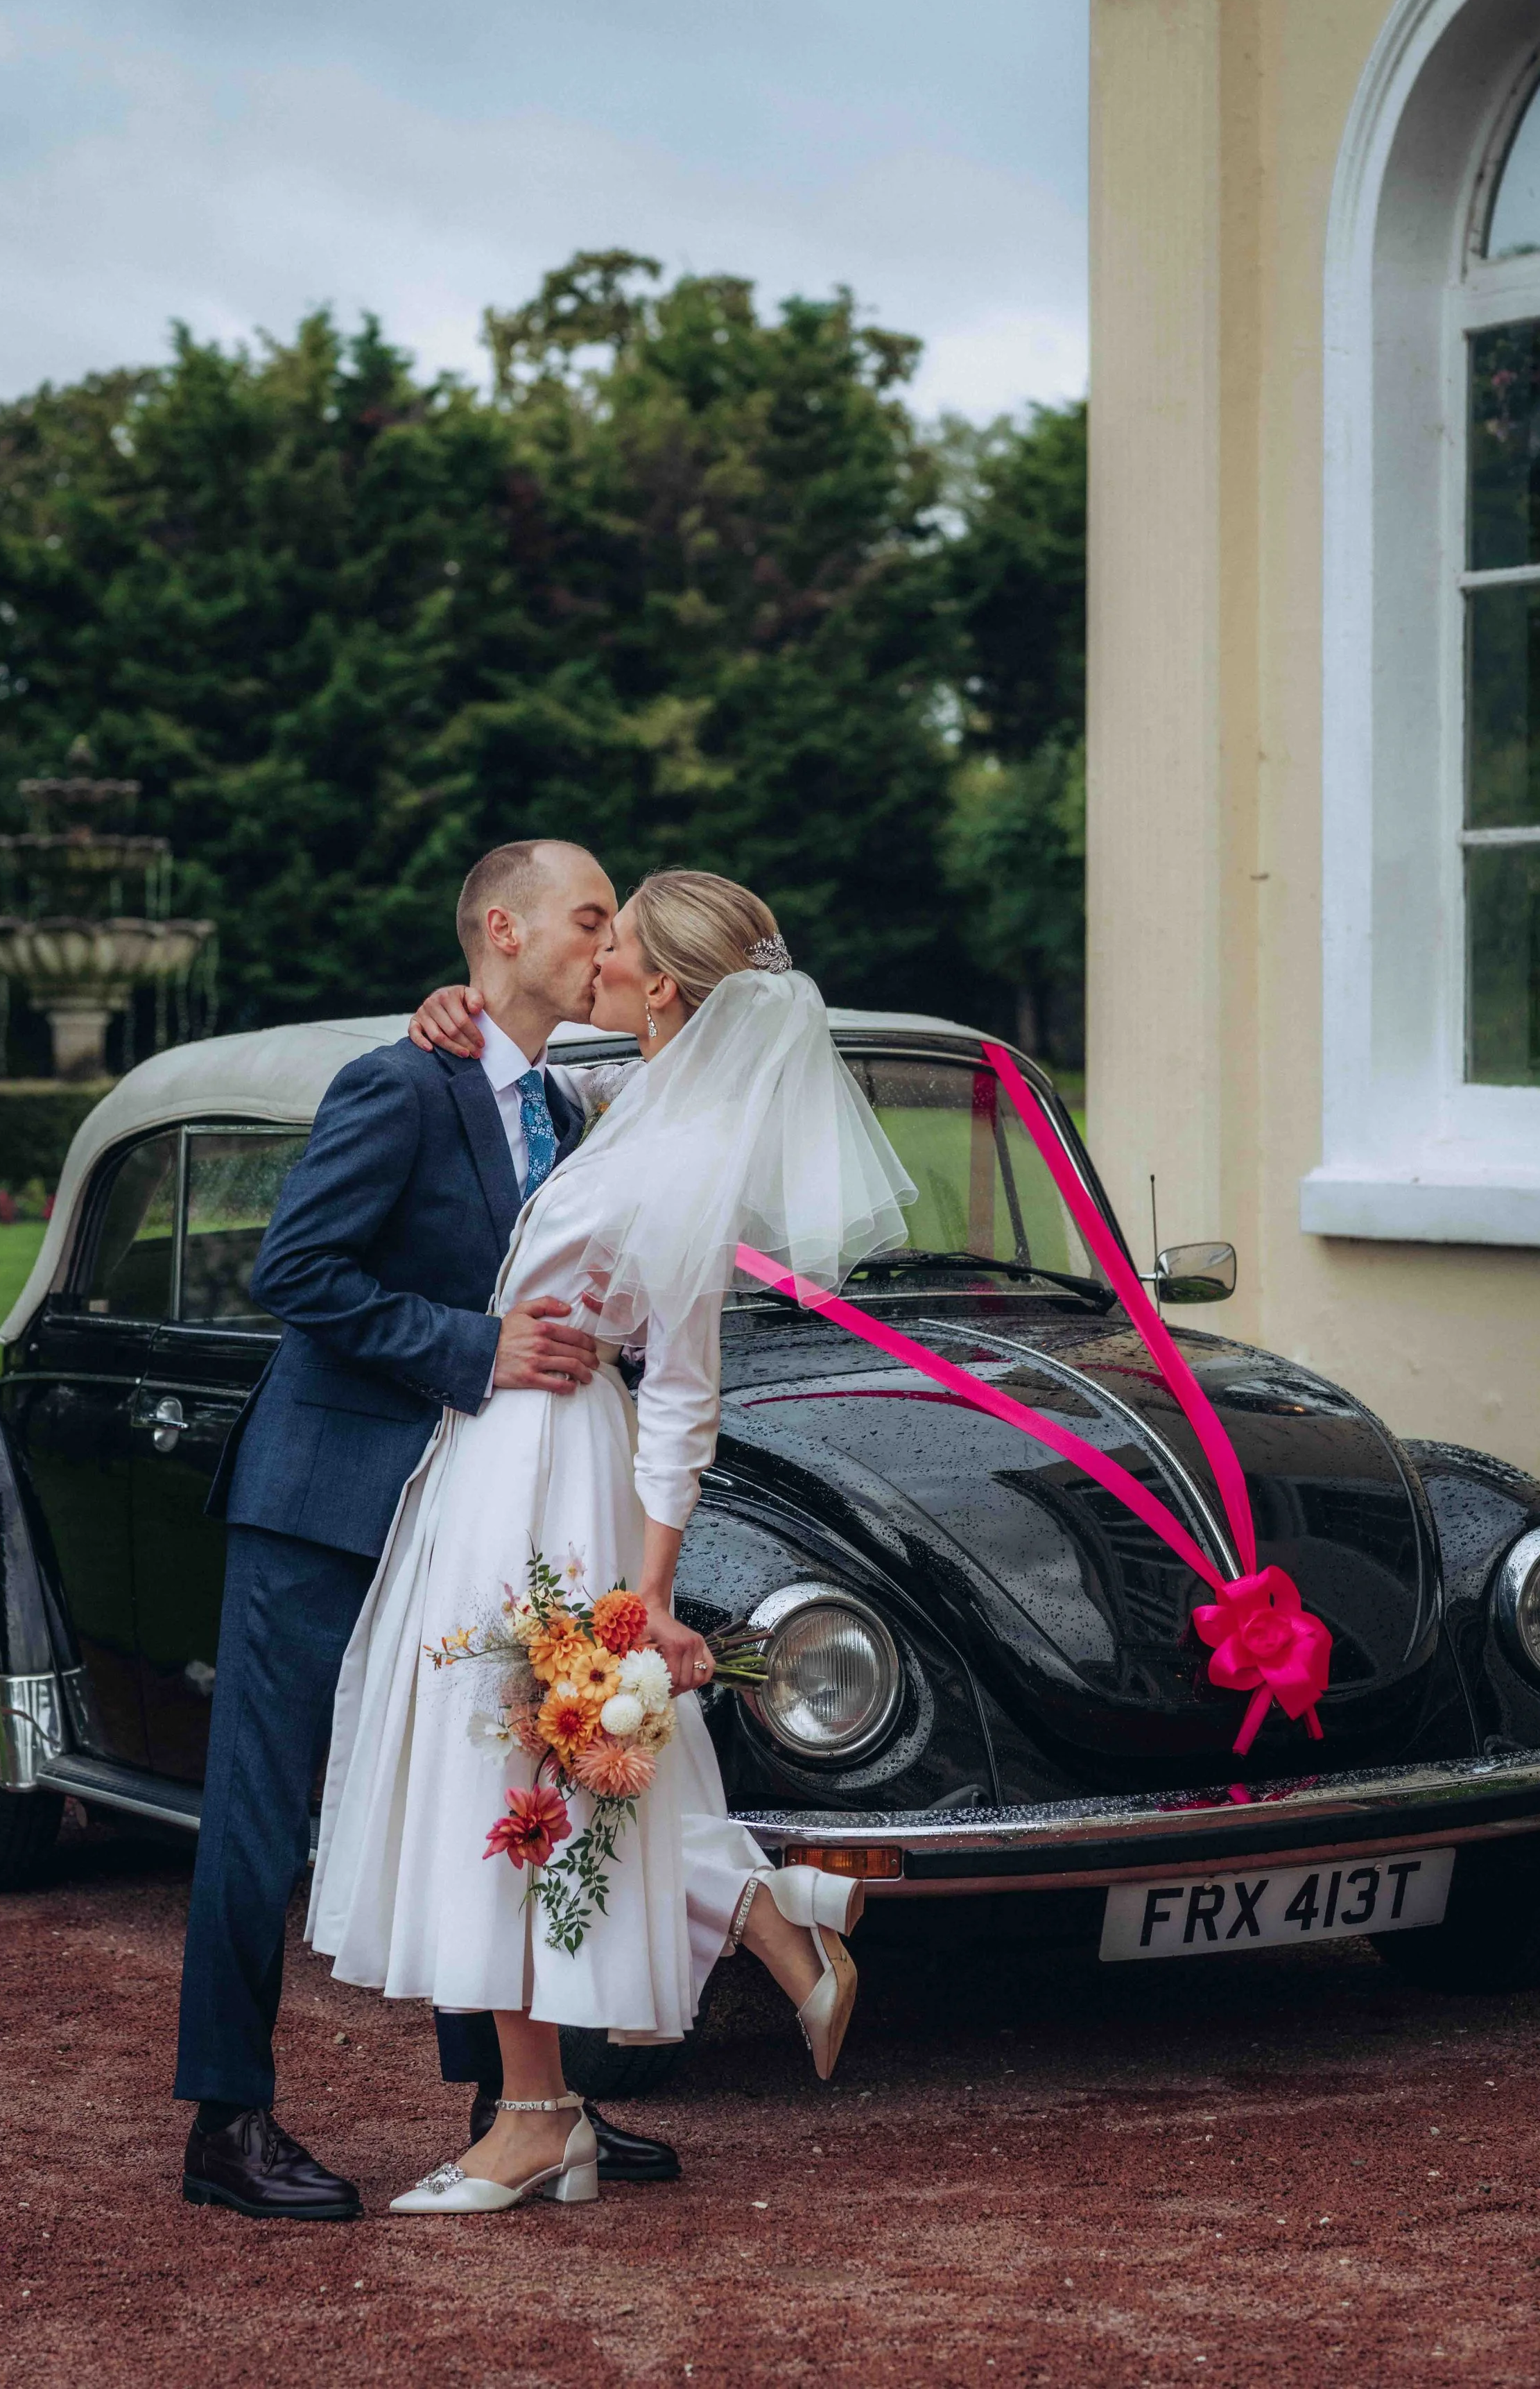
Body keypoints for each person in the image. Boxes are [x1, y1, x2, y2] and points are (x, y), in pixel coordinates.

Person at [307, 869, 916, 2214]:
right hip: (506, 1456)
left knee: (526, 1760)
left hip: (543, 1470)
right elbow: (517, 1103)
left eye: (619, 941)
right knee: (558, 1754)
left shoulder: (684, 1151)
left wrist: (649, 1585)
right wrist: (446, 1003)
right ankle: (755, 1930)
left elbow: (684, 1380)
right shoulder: (632, 1105)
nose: (598, 958)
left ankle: (540, 2112)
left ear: (665, 989)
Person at [175, 838, 680, 2218]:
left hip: (474, 1520)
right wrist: (474, 1346)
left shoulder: (569, 1112)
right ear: (500, 932)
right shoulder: (398, 1082)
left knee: (491, 1792)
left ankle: (520, 2110)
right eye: (587, 919)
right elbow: (297, 1272)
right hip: (328, 1504)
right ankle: (227, 2122)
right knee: (263, 1812)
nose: (605, 943)